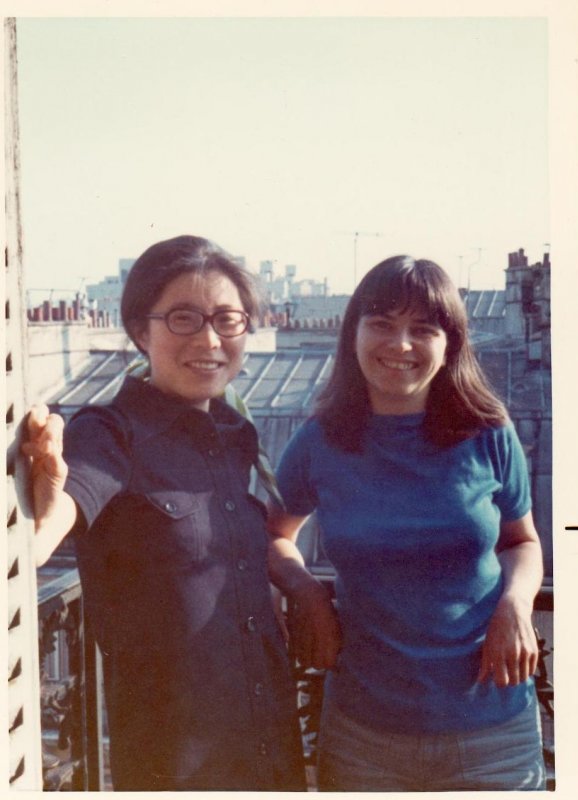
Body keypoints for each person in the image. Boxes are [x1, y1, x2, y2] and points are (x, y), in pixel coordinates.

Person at [23, 235, 306, 791]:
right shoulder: (109, 434)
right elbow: (61, 511)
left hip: (270, 741)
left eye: (228, 320)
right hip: (176, 763)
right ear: (139, 331)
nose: (209, 339)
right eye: (183, 318)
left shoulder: (236, 433)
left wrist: (307, 589)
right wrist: (46, 506)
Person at [267, 255, 546, 792]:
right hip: (363, 733)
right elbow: (275, 534)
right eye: (382, 324)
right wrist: (304, 591)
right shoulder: (321, 441)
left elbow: (523, 541)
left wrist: (515, 602)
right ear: (353, 335)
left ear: (450, 345)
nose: (400, 345)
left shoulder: (488, 434)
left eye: (423, 329)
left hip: (493, 728)